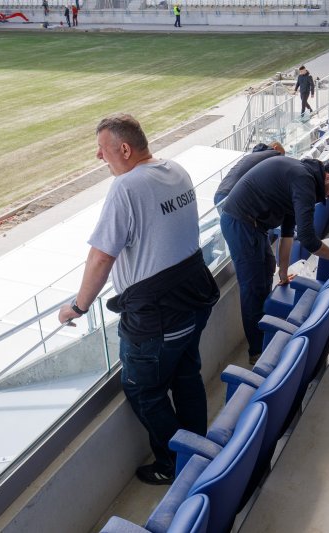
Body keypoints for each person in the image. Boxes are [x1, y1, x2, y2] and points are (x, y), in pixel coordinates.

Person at [58, 114, 219, 485]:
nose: (99, 157)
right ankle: (198, 450)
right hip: (195, 299)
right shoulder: (176, 169)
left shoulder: (126, 187)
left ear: (125, 149)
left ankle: (173, 464)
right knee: (186, 375)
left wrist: (78, 307)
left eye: (102, 149)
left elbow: (101, 256)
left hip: (158, 317)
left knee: (142, 388)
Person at [220, 157, 329, 364]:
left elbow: (288, 232)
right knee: (253, 287)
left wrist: (283, 270)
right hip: (240, 223)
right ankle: (257, 351)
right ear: (328, 177)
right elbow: (308, 238)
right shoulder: (303, 179)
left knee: (268, 270)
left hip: (255, 226)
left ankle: (263, 335)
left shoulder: (304, 180)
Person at [213, 142, 285, 206]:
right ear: (275, 148)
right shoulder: (273, 154)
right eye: (282, 155)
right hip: (233, 196)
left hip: (220, 194)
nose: (282, 158)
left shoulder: (252, 157)